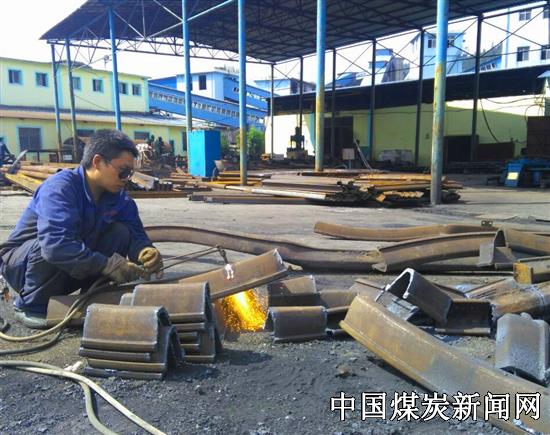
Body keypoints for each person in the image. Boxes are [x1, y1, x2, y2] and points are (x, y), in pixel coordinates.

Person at [0, 129, 163, 328]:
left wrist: (145, 251)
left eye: (130, 173)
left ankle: (92, 297)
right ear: (97, 162)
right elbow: (55, 246)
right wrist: (107, 265)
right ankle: (30, 305)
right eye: (123, 171)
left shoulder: (120, 199)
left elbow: (135, 233)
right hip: (24, 267)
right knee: (53, 244)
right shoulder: (60, 188)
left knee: (120, 232)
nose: (126, 178)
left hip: (68, 267)